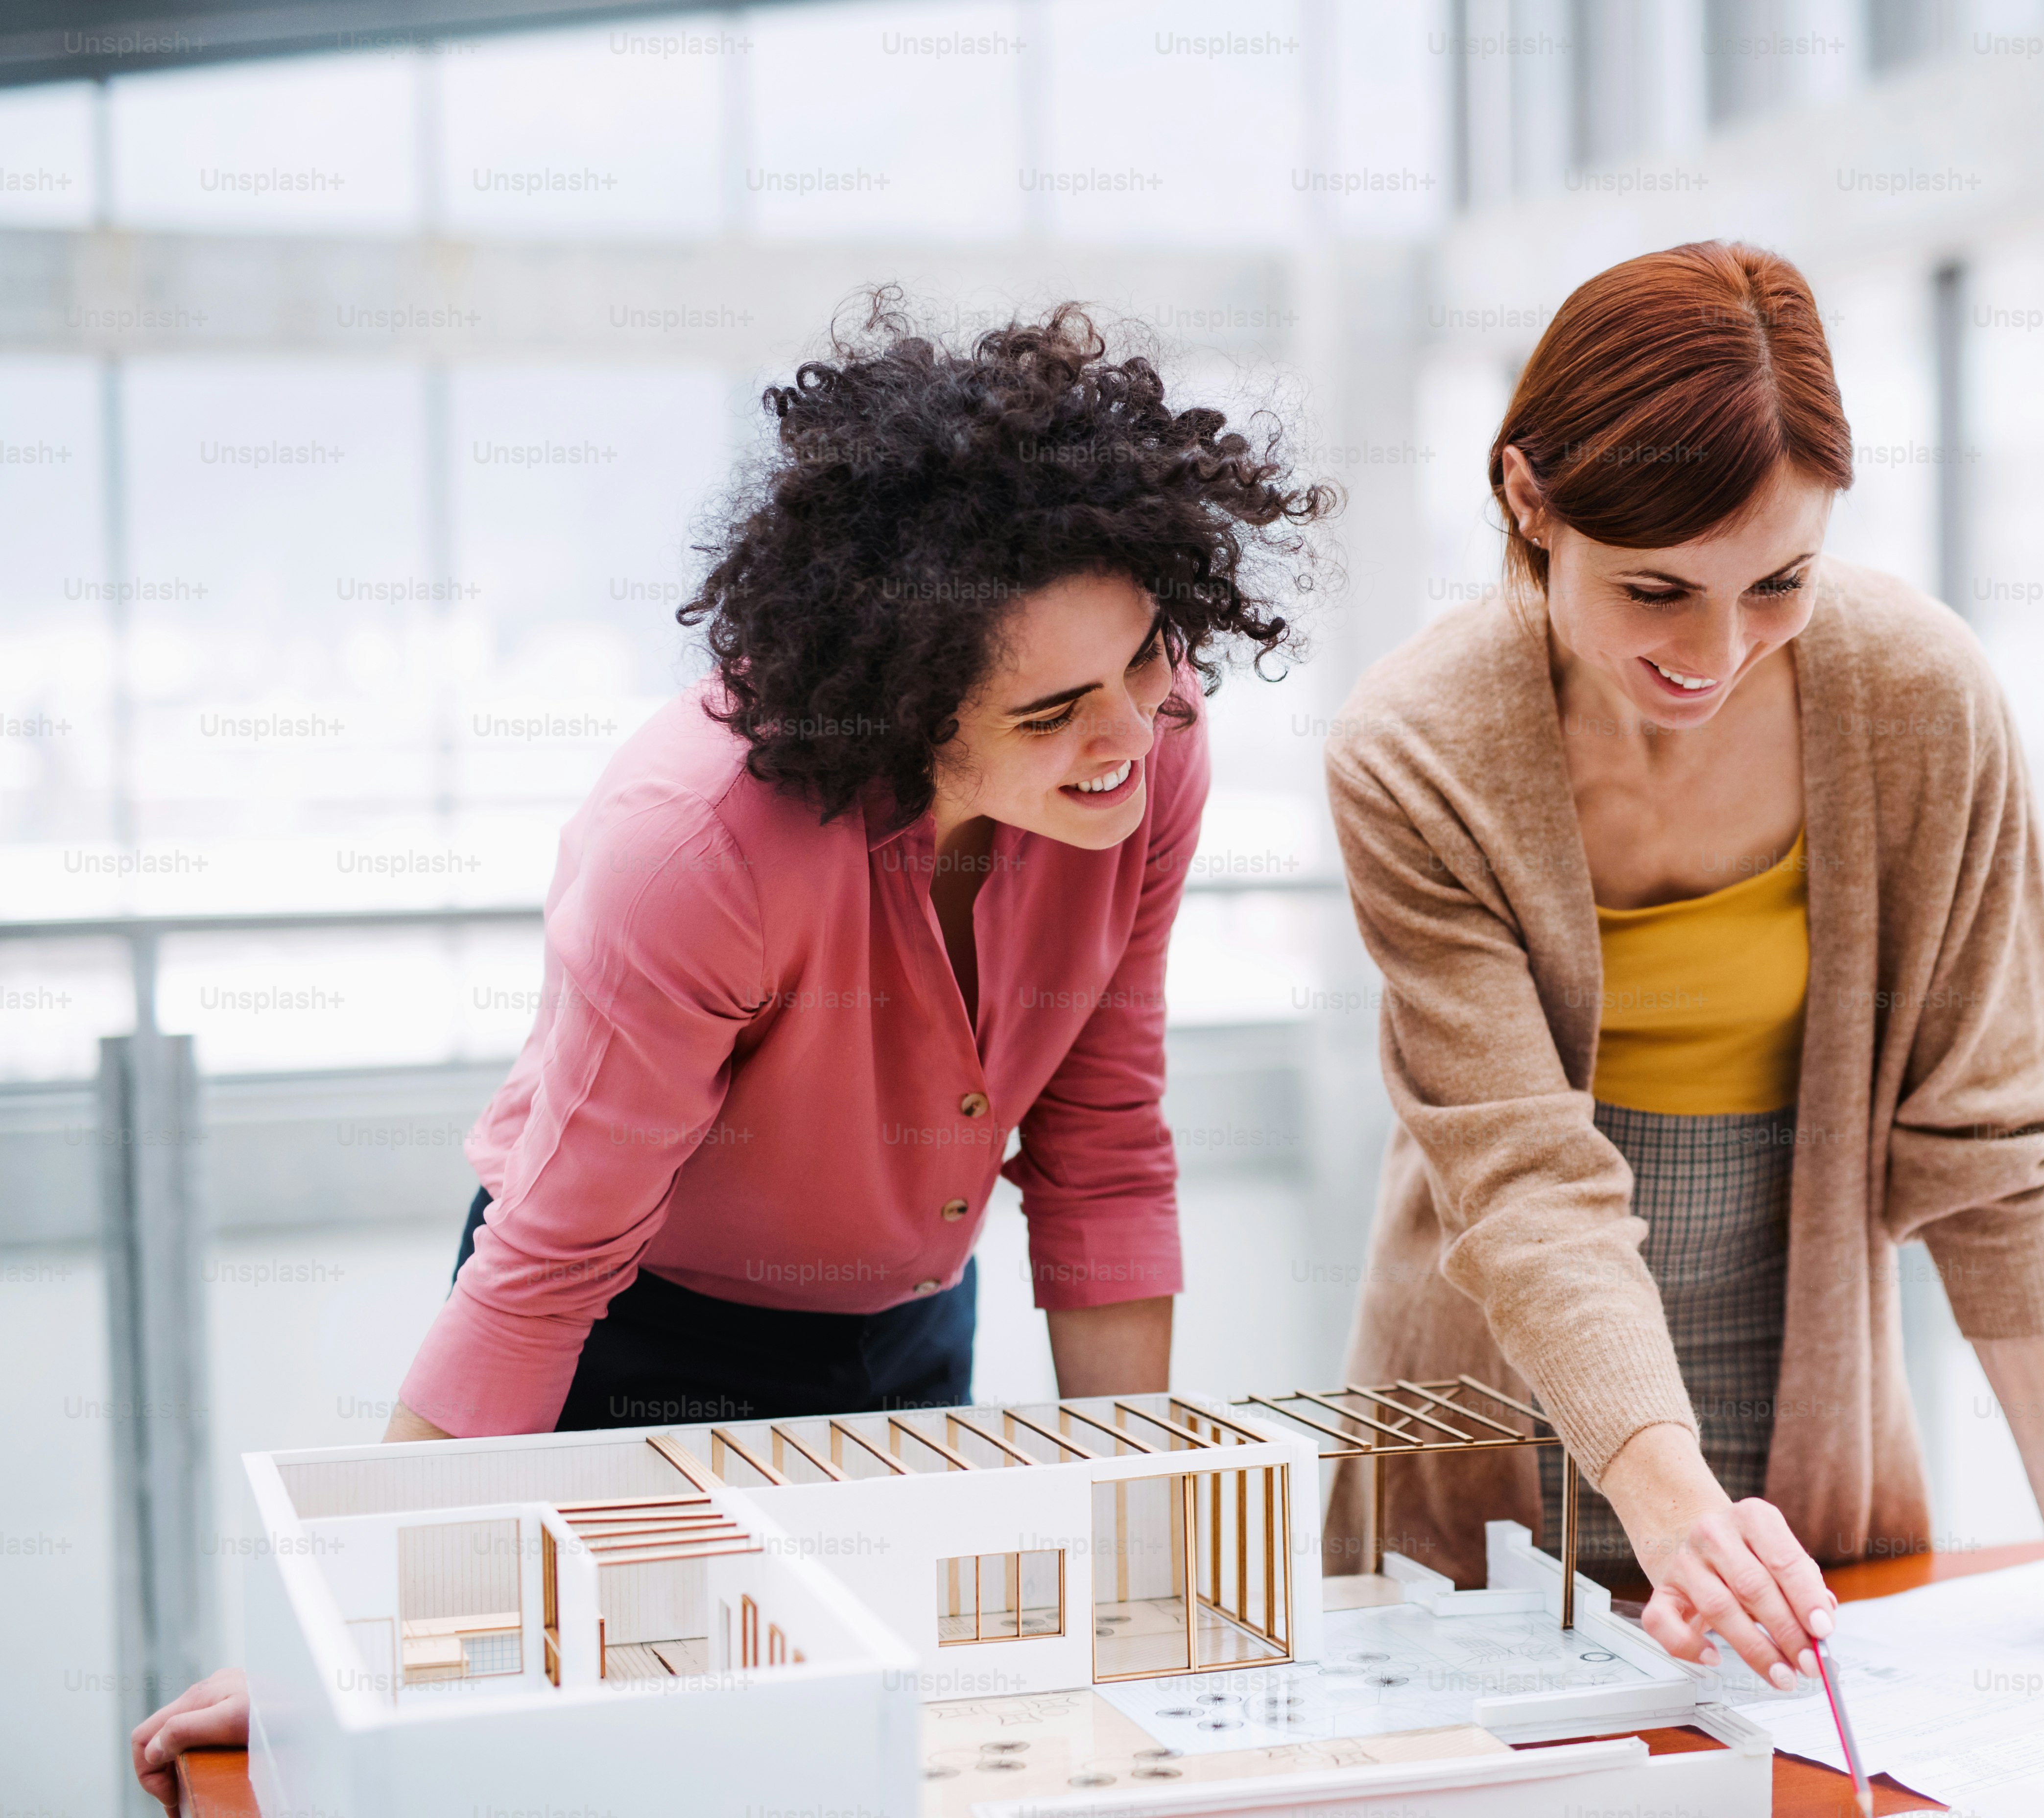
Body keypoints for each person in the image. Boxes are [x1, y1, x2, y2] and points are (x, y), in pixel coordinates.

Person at [128, 297, 1332, 1811]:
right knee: (613, 1765)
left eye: (1149, 655)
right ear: (909, 702)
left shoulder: (1153, 751)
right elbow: (549, 1260)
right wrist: (348, 1647)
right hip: (641, 1339)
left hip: (904, 1329)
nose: (1133, 732)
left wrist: (1148, 1559)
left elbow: (1101, 1140)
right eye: (1051, 710)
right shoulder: (691, 850)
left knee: (878, 1762)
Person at [1321, 241, 2044, 1691]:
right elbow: (1526, 1185)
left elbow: (1990, 1139)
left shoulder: (1919, 699)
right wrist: (1675, 1515)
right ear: (1526, 500)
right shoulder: (1415, 749)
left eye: (1777, 582)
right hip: (1491, 1412)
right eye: (1656, 590)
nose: (1716, 653)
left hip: (1808, 1400)